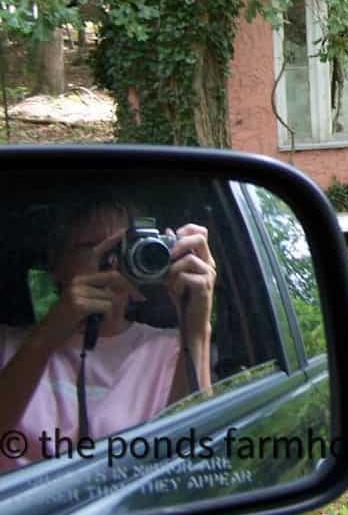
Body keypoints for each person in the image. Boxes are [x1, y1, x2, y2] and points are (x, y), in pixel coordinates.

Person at [0, 195, 216, 470]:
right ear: (56, 267)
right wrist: (46, 338)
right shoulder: (9, 344)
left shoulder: (173, 350)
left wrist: (196, 329)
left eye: (126, 247)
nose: (113, 261)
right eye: (94, 248)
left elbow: (194, 462)